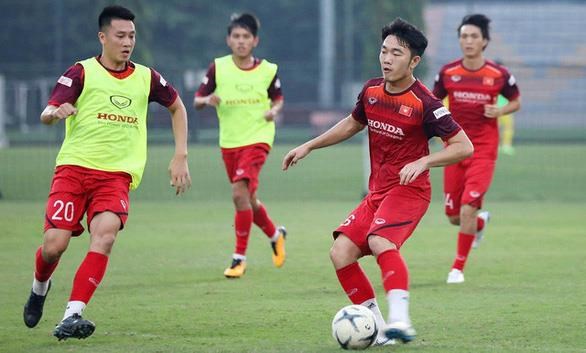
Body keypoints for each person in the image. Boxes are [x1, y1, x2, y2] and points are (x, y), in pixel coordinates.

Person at [283, 18, 473, 345]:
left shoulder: (425, 104)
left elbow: (464, 146)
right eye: (383, 51)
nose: (386, 59)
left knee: (380, 241)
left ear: (414, 61)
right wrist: (309, 145)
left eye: (396, 53)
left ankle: (402, 319)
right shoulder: (371, 90)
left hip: (410, 191)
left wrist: (425, 160)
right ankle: (379, 328)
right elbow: (351, 124)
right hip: (377, 193)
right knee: (340, 252)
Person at [22, 5, 191, 340]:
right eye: (120, 36)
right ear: (103, 37)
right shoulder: (81, 72)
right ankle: (40, 286)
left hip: (115, 177)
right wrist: (57, 111)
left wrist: (180, 155)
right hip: (73, 171)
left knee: (106, 235)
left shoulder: (147, 77)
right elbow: (46, 112)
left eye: (131, 36)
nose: (127, 42)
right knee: (54, 246)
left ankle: (73, 314)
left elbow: (177, 106)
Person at [194, 13, 286, 279]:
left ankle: (239, 258)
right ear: (228, 40)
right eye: (236, 36)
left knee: (238, 194)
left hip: (258, 139)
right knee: (248, 199)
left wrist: (274, 111)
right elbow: (198, 100)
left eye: (246, 36)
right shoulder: (218, 67)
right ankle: (275, 234)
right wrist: (208, 99)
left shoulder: (268, 69)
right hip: (230, 142)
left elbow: (278, 99)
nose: (241, 41)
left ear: (255, 40)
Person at [433, 14, 521, 284]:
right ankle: (480, 224)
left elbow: (516, 101)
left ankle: (457, 268)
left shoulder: (499, 74)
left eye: (473, 36)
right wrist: (438, 132)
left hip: (483, 149)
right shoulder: (448, 73)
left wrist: (501, 109)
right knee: (453, 216)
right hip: (455, 148)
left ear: (484, 41)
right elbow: (432, 102)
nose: (468, 41)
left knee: (468, 207)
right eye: (464, 36)